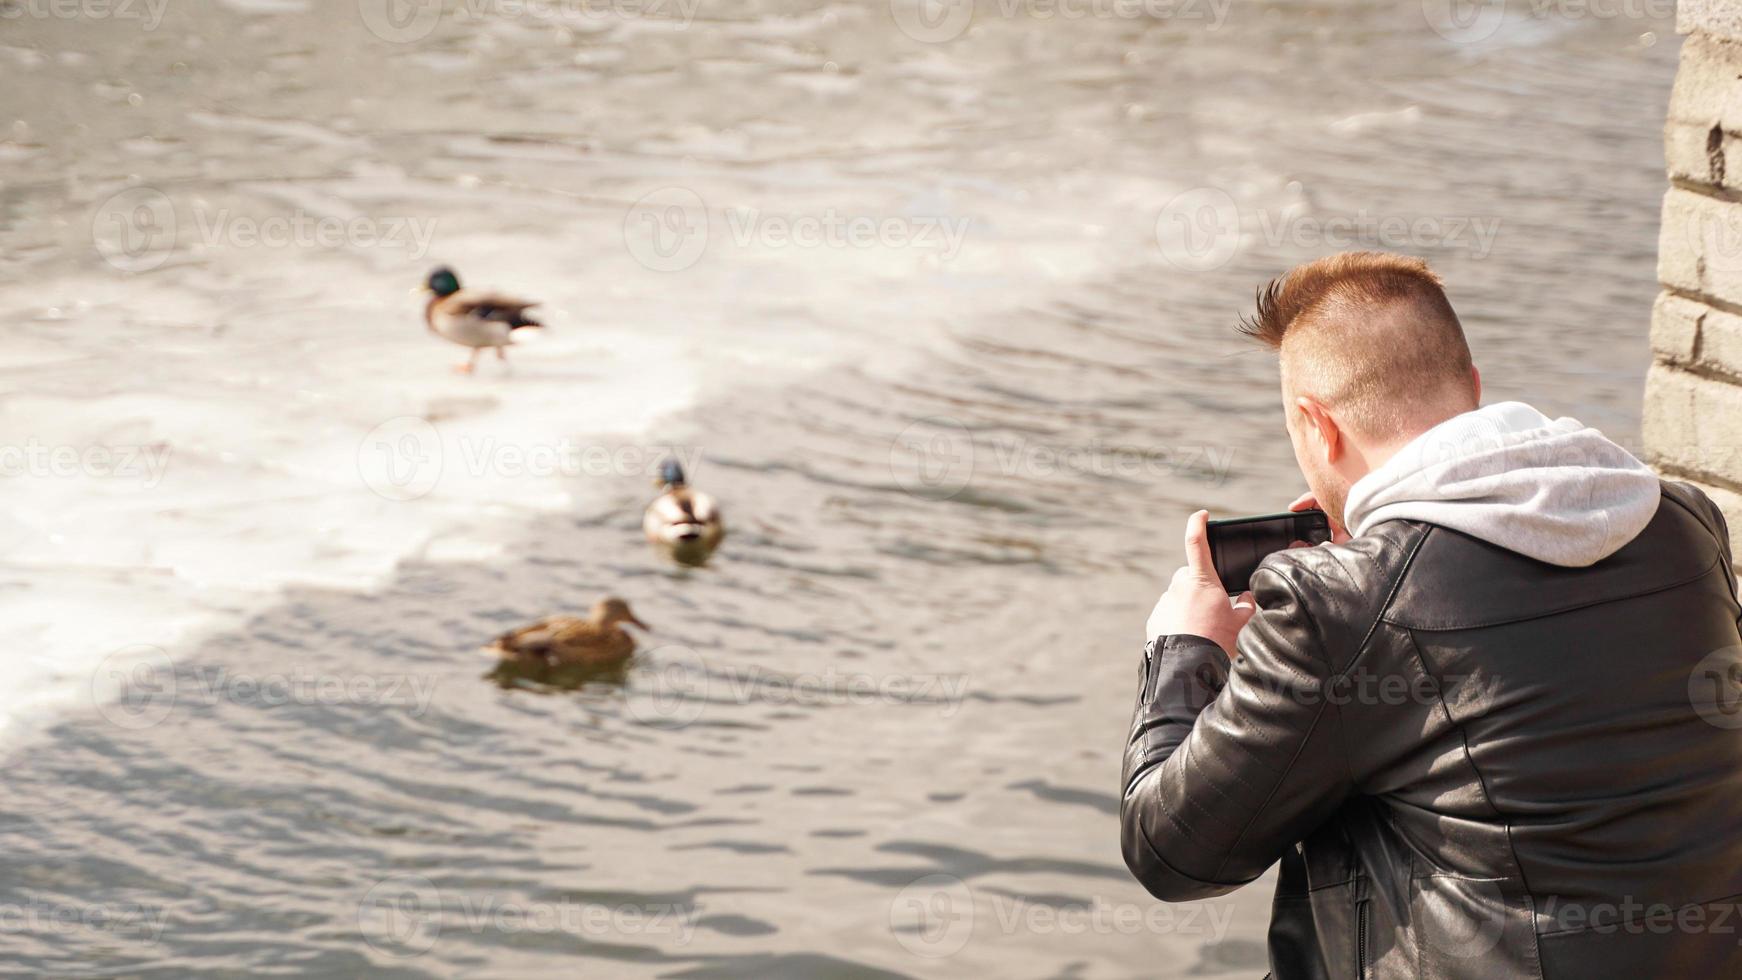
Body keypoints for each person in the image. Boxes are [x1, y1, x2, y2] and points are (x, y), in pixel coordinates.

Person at [1120, 251, 1742, 978]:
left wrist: (1185, 649)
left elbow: (1171, 850)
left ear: (1317, 425)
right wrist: (1373, 568)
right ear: (1472, 389)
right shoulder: (1681, 524)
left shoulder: (1336, 603)